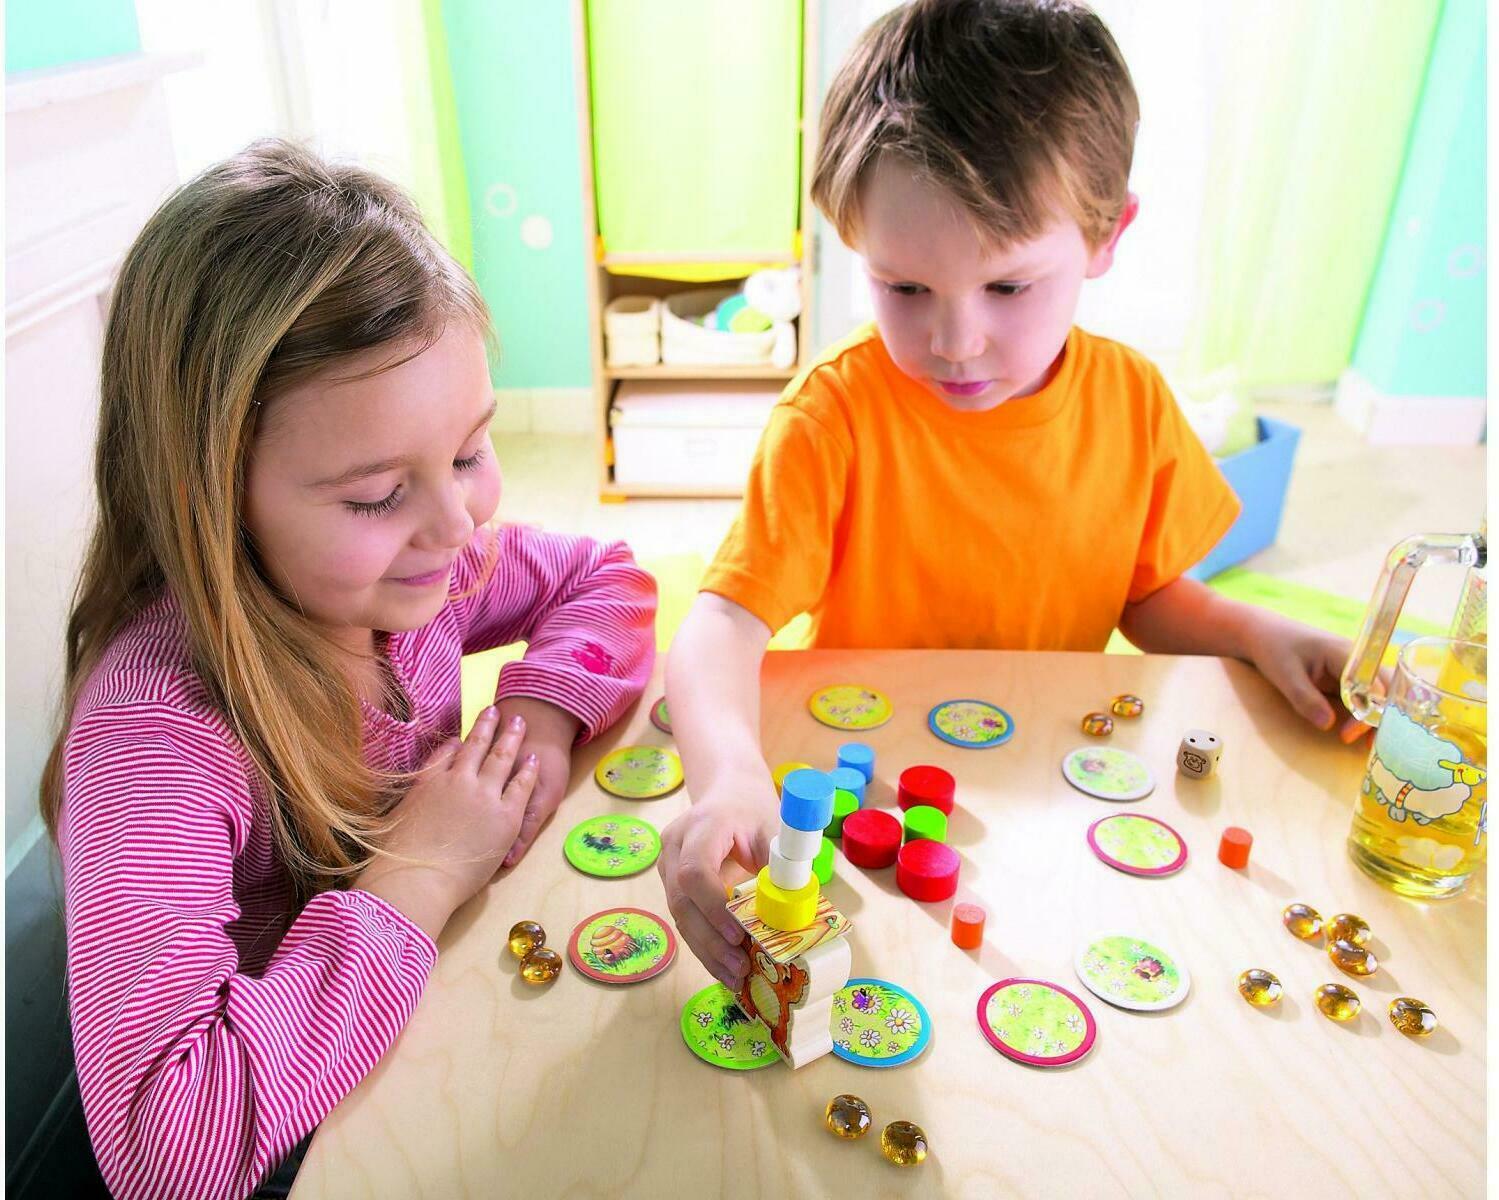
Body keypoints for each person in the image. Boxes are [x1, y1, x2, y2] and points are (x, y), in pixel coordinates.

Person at [659, 0, 1361, 989]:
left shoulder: (1129, 402)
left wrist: (1254, 634)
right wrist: (729, 773)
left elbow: (1146, 598)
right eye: (902, 289)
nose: (951, 342)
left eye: (1006, 287)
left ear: (1106, 236)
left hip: (1038, 800)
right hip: (867, 800)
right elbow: (721, 625)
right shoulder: (831, 416)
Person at [41, 139, 657, 1199]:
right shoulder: (157, 740)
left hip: (418, 1040)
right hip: (297, 1148)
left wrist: (540, 721)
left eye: (469, 449)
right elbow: (163, 1148)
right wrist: (418, 875)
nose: (458, 522)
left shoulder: (424, 572)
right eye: (377, 495)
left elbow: (606, 577)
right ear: (213, 494)